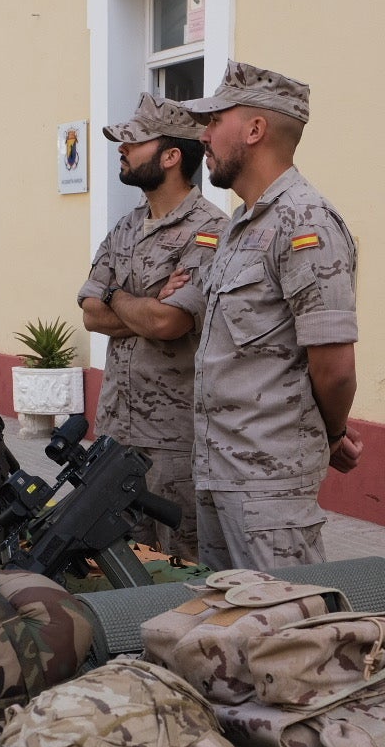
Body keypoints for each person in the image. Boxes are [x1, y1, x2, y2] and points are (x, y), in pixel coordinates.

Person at [174, 59, 362, 571]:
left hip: (268, 491)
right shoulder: (241, 226)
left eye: (215, 121)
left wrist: (331, 433)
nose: (204, 134)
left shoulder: (307, 223)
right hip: (219, 473)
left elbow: (335, 367)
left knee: (284, 636)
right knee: (226, 631)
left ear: (255, 130)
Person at [77, 93, 226, 561]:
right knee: (119, 556)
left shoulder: (211, 231)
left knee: (177, 562)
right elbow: (88, 312)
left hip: (173, 441)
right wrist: (143, 304)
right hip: (116, 431)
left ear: (171, 156)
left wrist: (117, 296)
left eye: (133, 143)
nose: (122, 150)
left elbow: (168, 321)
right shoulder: (127, 226)